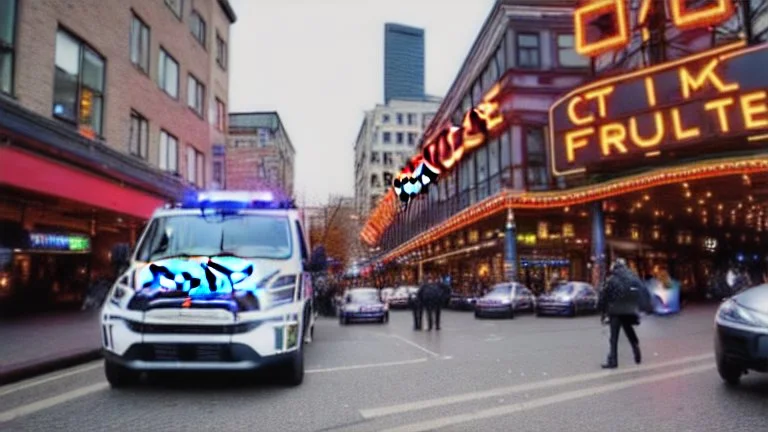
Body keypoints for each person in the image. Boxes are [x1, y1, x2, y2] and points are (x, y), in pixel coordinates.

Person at [597, 258, 652, 369]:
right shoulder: (632, 277)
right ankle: (635, 346)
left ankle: (613, 361)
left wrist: (602, 311)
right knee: (629, 331)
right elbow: (643, 291)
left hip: (615, 311)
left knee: (614, 338)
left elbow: (604, 296)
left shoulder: (611, 279)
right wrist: (644, 307)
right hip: (629, 310)